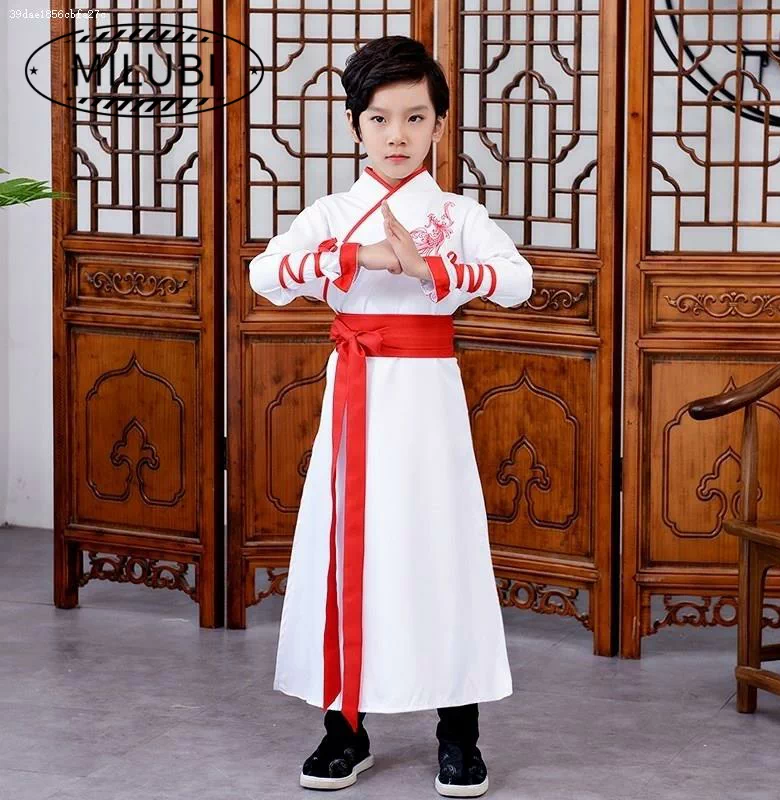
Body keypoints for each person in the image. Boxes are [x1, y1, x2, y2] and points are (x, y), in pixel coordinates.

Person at [249, 35, 533, 798]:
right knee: (349, 546)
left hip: (427, 399)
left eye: (415, 117)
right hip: (354, 392)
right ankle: (345, 728)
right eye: (379, 119)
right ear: (355, 127)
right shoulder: (332, 213)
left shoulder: (458, 213)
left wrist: (426, 266)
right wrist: (355, 259)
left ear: (440, 124)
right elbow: (265, 274)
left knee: (440, 549)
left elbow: (517, 281)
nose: (397, 135)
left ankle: (459, 734)